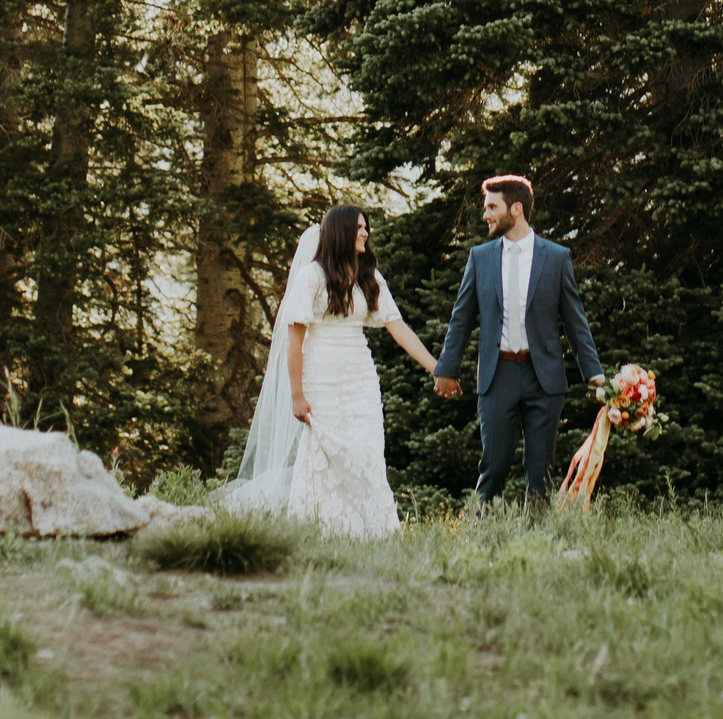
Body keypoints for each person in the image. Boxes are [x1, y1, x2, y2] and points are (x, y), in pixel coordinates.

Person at [220, 205, 438, 536]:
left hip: (360, 377)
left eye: (366, 228)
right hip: (321, 377)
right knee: (323, 456)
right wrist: (297, 395)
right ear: (340, 232)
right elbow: (295, 341)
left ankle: (376, 532)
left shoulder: (369, 277)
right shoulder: (313, 277)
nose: (365, 233)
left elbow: (398, 328)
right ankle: (323, 530)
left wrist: (437, 367)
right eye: (359, 228)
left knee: (367, 452)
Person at [433, 176, 605, 510]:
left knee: (540, 473)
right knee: (493, 468)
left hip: (545, 380)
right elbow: (461, 318)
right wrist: (447, 369)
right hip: (498, 378)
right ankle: (483, 541)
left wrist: (594, 374)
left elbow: (575, 321)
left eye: (492, 207)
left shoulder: (555, 257)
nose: (486, 215)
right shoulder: (480, 258)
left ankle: (537, 547)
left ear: (516, 209)